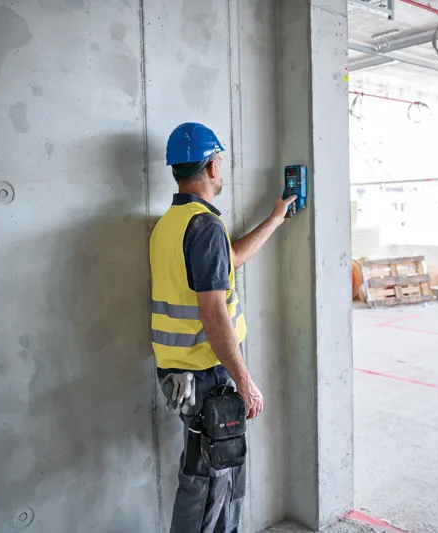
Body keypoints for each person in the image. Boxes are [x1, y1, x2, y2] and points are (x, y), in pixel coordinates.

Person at [150, 122, 296, 533]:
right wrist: (245, 382)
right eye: (220, 161)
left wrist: (275, 220)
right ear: (213, 166)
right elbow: (213, 314)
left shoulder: (170, 225)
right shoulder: (205, 227)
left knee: (212, 476)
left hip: (182, 373)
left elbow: (228, 260)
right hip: (208, 375)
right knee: (209, 485)